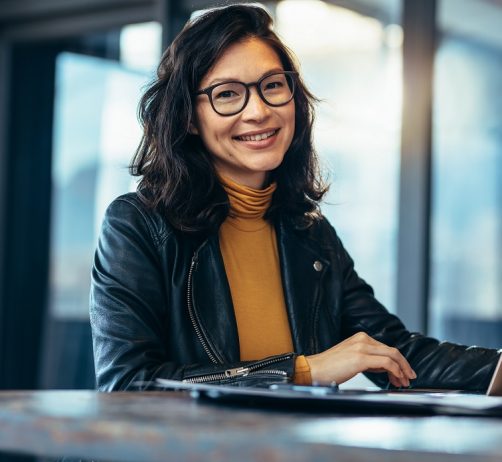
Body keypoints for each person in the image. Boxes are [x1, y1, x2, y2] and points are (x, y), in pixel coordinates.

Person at [90, 3, 500, 392]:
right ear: (188, 117)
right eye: (228, 94)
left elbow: (393, 352)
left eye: (272, 86)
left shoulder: (309, 231)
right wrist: (303, 370)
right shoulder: (137, 225)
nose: (259, 111)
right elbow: (129, 382)